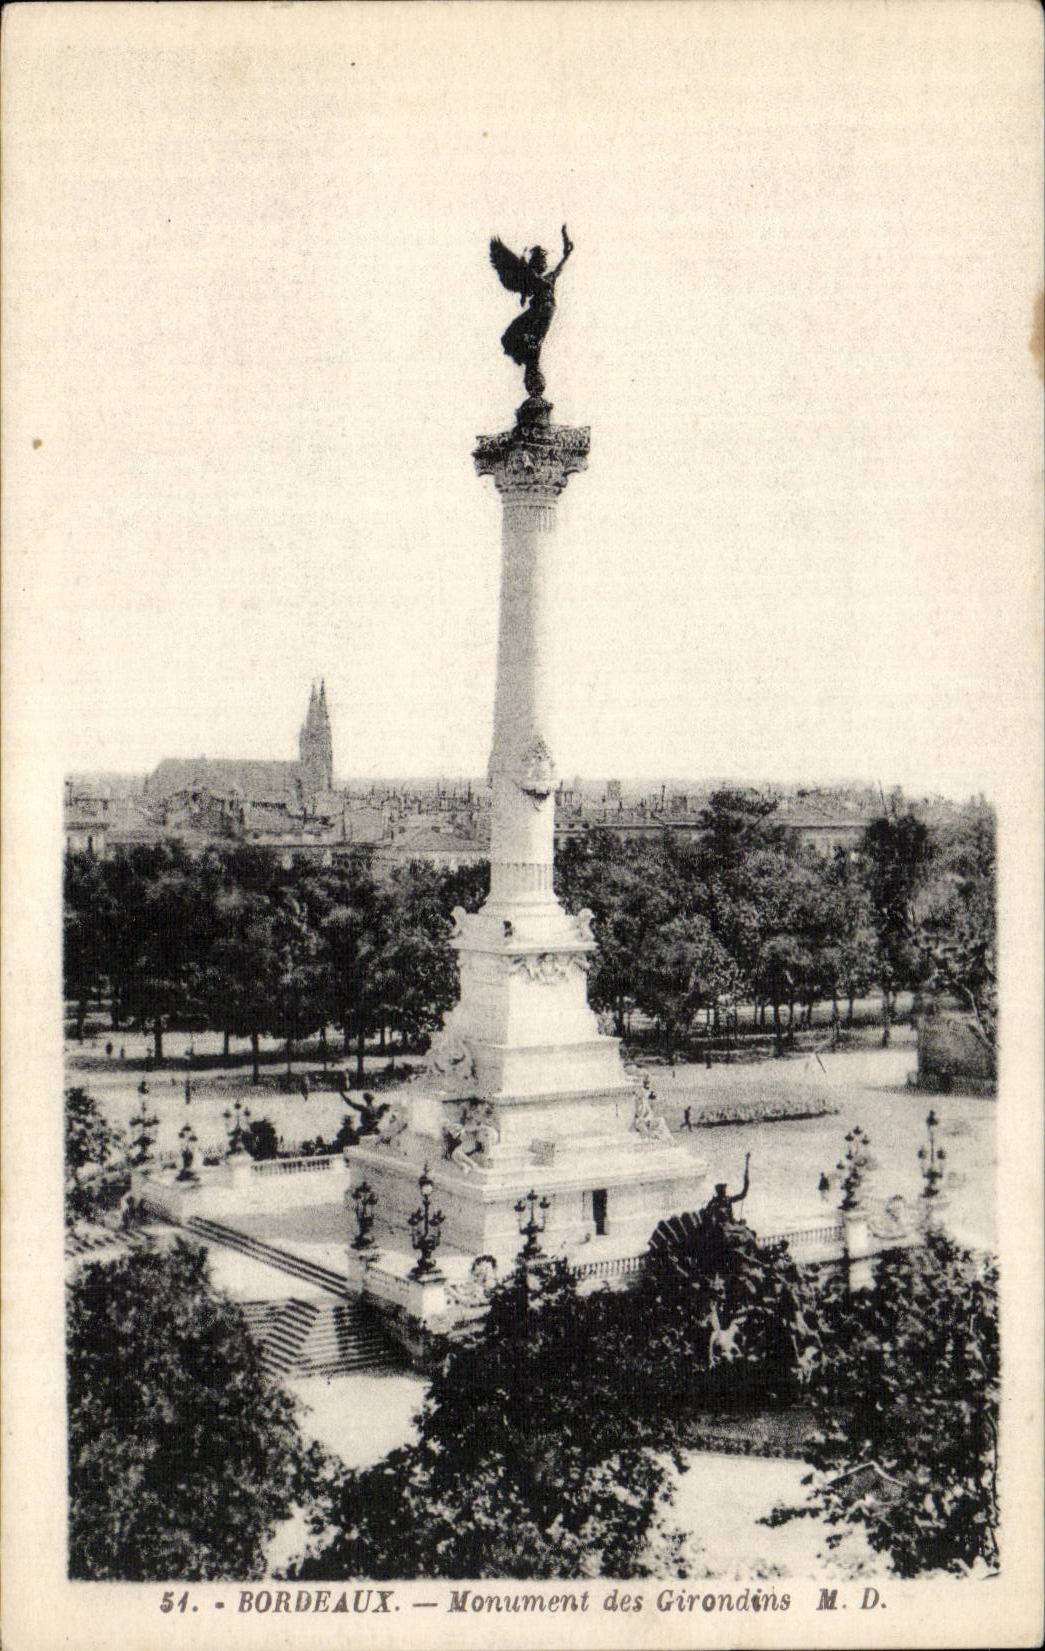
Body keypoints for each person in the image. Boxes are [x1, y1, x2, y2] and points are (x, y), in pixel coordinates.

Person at [704, 1153, 751, 1223]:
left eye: (724, 1188)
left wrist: (747, 1166)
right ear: (718, 1190)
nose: (725, 1190)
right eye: (723, 1188)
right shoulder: (715, 1201)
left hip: (729, 1223)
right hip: (720, 1225)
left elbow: (742, 1195)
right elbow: (706, 1213)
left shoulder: (727, 1199)